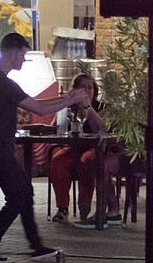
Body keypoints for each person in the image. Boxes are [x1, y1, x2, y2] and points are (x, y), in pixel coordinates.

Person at [0, 34, 87, 263]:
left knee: (24, 192)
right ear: (13, 52)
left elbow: (35, 104)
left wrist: (68, 97)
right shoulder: (3, 83)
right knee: (17, 197)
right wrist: (71, 100)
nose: (24, 60)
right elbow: (40, 109)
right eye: (23, 54)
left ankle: (36, 246)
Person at [48, 72, 122, 223]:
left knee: (86, 160)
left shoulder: (102, 107)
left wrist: (87, 107)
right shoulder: (67, 105)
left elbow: (101, 128)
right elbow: (55, 127)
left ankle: (84, 205)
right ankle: (62, 208)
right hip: (72, 147)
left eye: (90, 87)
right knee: (58, 161)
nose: (87, 91)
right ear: (75, 90)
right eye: (83, 87)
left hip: (94, 148)